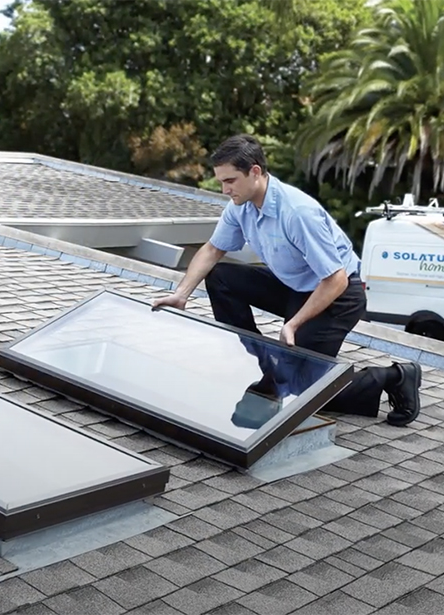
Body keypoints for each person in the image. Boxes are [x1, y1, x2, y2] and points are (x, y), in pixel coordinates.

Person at [152, 134, 422, 426]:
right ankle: (260, 361)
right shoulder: (240, 206)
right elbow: (212, 249)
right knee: (220, 276)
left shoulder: (297, 213)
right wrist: (181, 293)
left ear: (255, 172)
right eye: (221, 182)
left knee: (301, 390)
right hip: (295, 286)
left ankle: (394, 376)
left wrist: (293, 324)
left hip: (337, 296)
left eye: (230, 181)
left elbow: (336, 280)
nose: (225, 189)